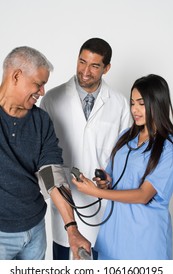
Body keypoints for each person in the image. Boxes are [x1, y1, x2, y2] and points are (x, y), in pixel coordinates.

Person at [40, 37, 131, 259]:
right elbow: (43, 158)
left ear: (106, 68)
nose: (85, 71)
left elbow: (124, 156)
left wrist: (110, 179)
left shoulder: (119, 104)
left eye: (94, 65)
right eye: (82, 62)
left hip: (102, 205)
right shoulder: (52, 99)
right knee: (63, 265)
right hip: (64, 205)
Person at [0, 46, 90, 260]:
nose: (42, 92)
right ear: (16, 76)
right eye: (38, 84)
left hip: (35, 230)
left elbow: (52, 175)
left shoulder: (40, 120)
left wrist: (72, 228)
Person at [73, 74, 173, 260]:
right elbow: (113, 175)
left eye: (141, 104)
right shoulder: (126, 136)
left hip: (145, 240)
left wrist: (96, 192)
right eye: (132, 102)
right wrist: (105, 182)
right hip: (114, 235)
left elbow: (144, 195)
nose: (134, 109)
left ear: (157, 104)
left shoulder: (168, 148)